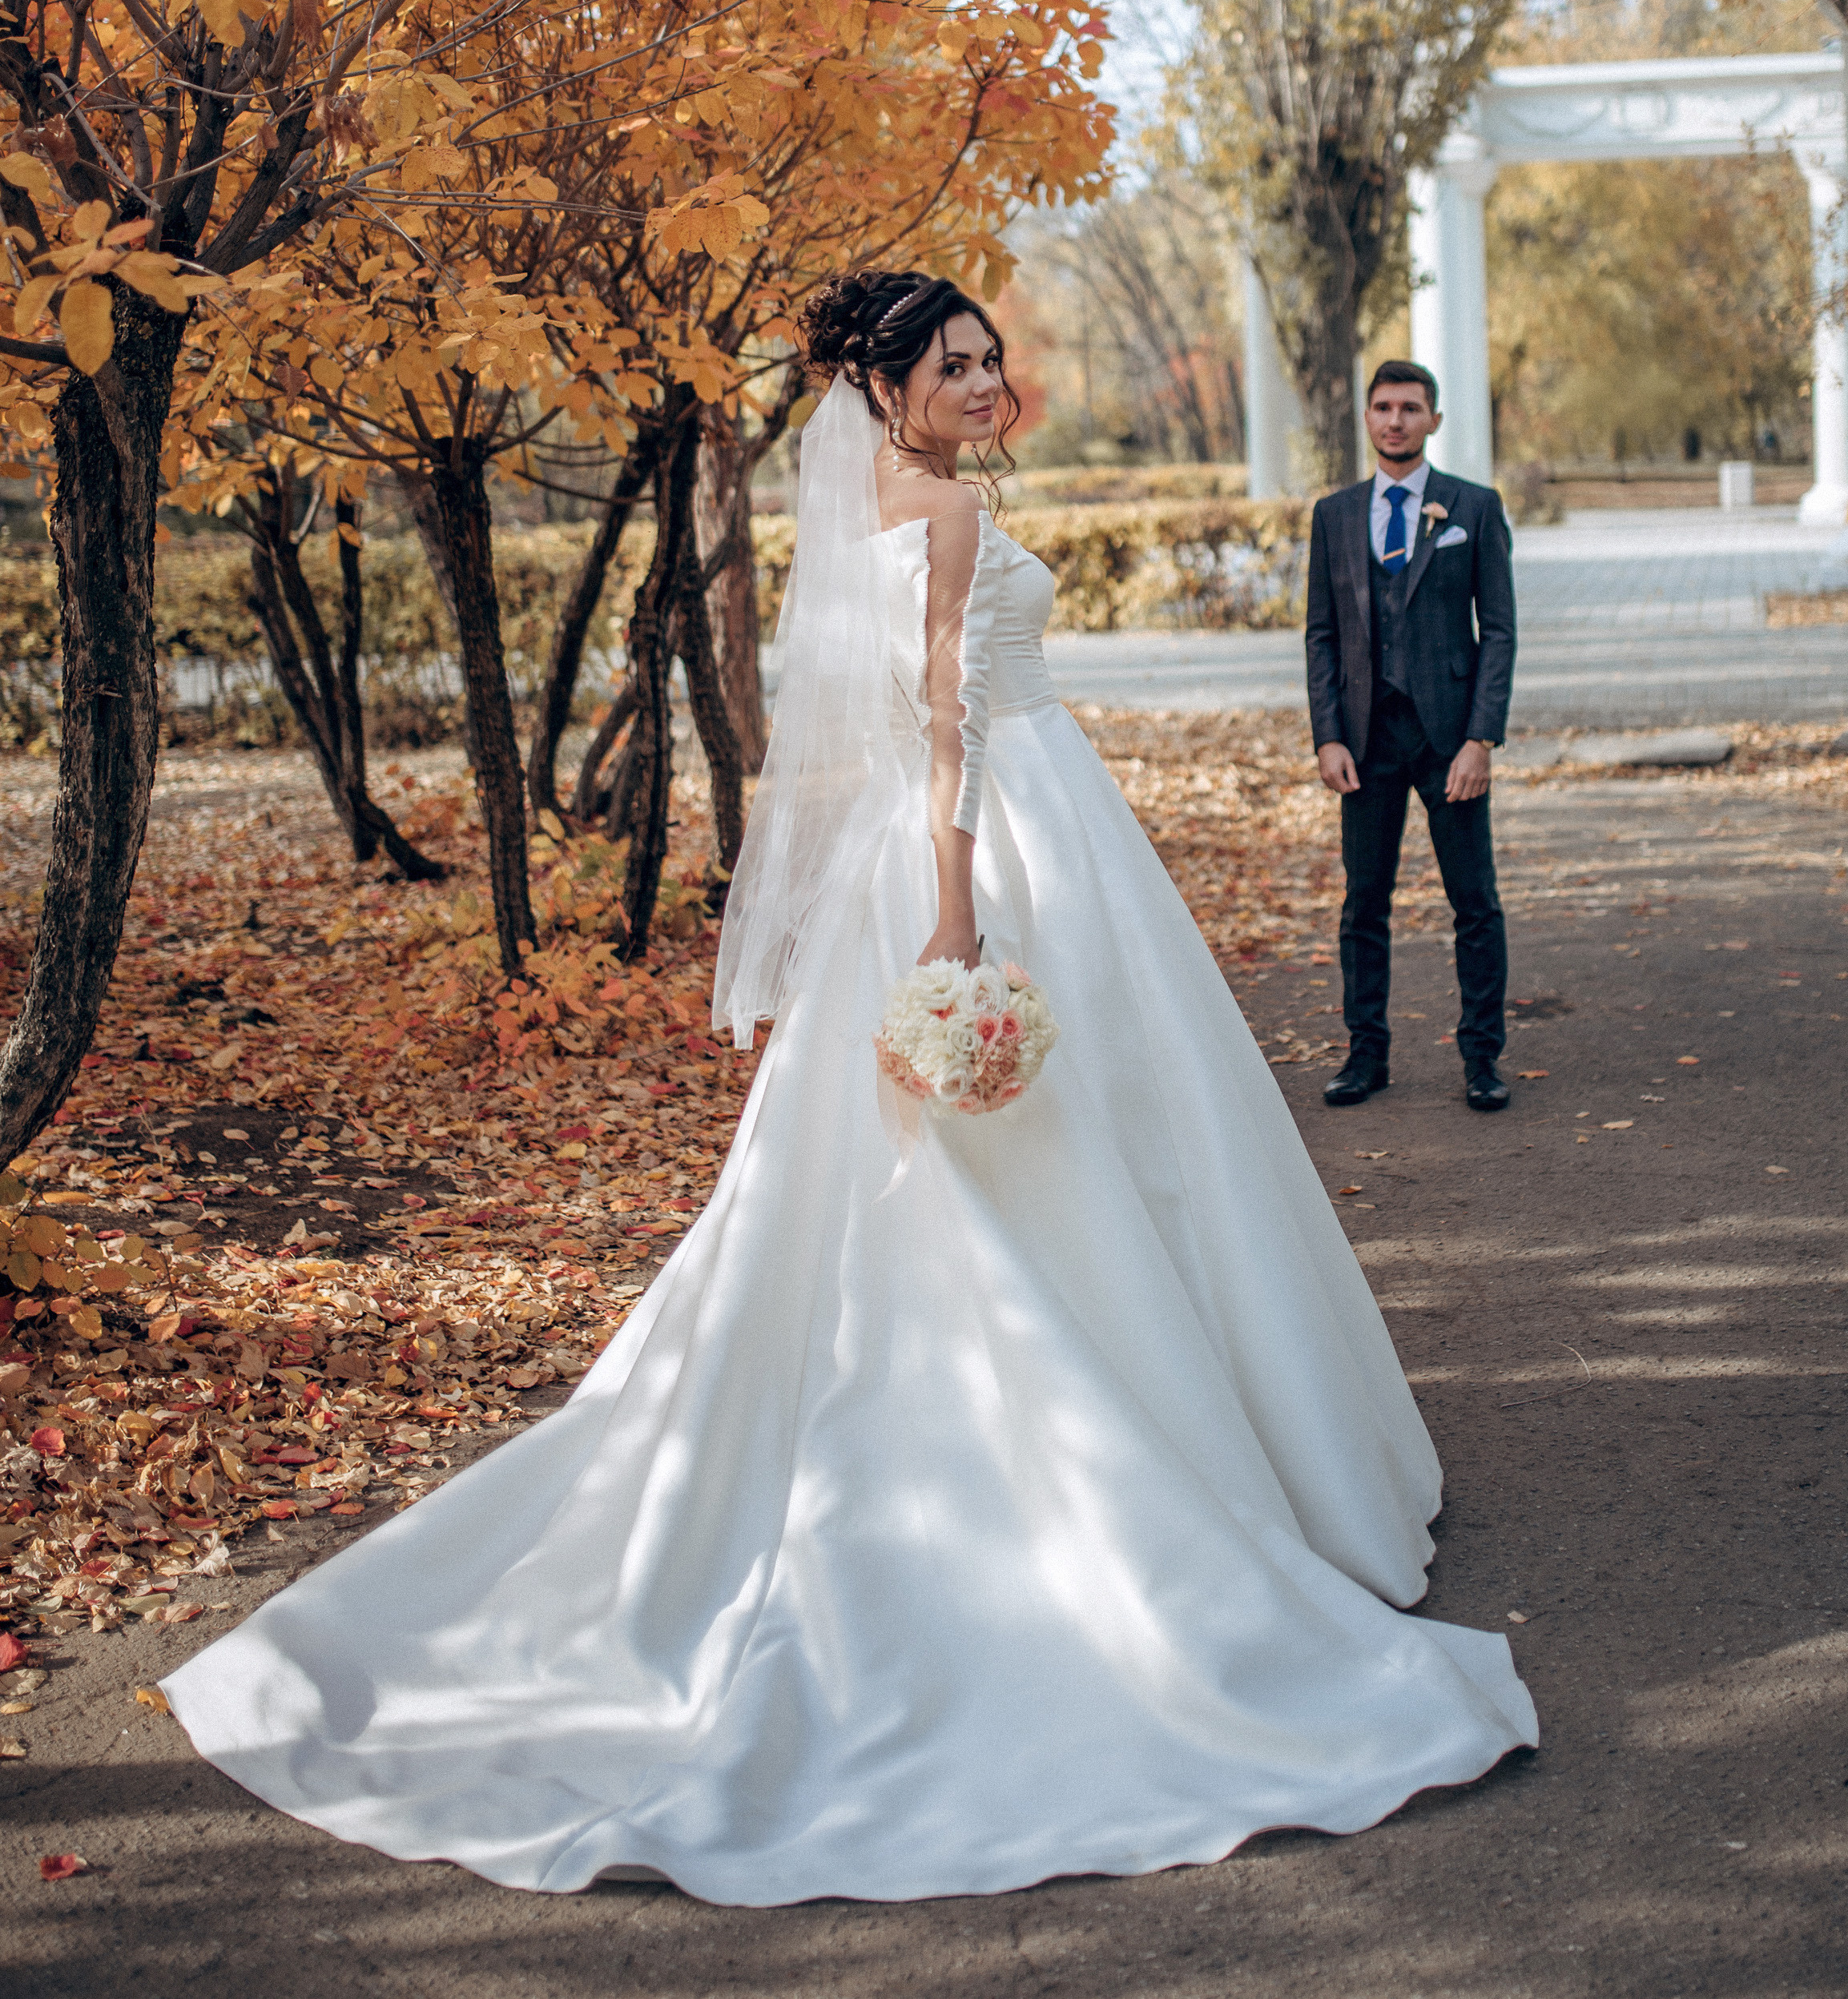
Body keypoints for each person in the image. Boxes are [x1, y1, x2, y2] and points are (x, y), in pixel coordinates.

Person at [163, 274, 1534, 1904]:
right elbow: (947, 717)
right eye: (952, 364)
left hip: (945, 837)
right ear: (886, 385)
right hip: (995, 844)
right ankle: (1128, 1466)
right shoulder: (943, 506)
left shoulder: (866, 500)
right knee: (1079, 1156)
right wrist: (955, 923)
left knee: (1039, 1164)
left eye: (988, 361)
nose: (982, 382)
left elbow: (866, 716)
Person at [1304, 360, 1516, 1116]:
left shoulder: (1475, 508)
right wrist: (1328, 735)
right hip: (1366, 741)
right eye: (1384, 408)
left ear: (1433, 420)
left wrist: (1481, 739)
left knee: (1474, 903)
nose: (1396, 420)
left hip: (1449, 736)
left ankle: (1482, 1059)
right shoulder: (1333, 515)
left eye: (1411, 408)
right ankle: (1367, 1056)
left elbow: (1498, 632)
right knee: (1364, 903)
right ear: (1368, 418)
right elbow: (1321, 635)